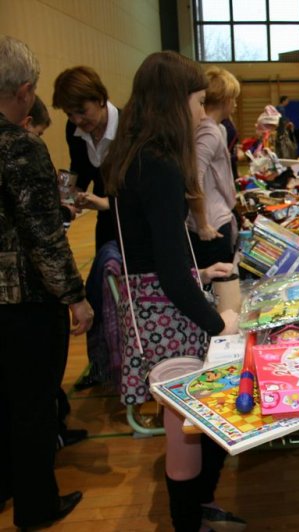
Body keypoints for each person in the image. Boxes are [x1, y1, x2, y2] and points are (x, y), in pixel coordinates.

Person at [101, 50, 242, 532]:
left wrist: (199, 275)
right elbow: (164, 264)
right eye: (199, 102)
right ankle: (189, 520)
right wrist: (217, 323)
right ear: (174, 101)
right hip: (166, 315)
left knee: (187, 426)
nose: (203, 113)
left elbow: (150, 253)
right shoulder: (158, 164)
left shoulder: (135, 155)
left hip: (153, 302)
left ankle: (195, 510)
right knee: (187, 427)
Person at [0, 34, 92, 529]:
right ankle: (36, 506)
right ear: (25, 91)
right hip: (23, 303)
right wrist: (75, 298)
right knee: (32, 404)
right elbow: (43, 238)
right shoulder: (21, 146)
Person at [52, 66, 119, 251]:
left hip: (134, 221)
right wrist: (65, 197)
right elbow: (77, 169)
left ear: (100, 99)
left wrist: (106, 203)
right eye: (69, 114)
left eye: (82, 111)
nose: (77, 120)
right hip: (106, 221)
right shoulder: (73, 129)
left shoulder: (129, 127)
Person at [186, 66, 239, 268]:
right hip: (212, 226)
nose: (234, 104)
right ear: (225, 100)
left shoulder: (217, 129)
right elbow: (193, 178)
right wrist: (202, 225)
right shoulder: (209, 131)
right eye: (233, 98)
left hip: (215, 219)